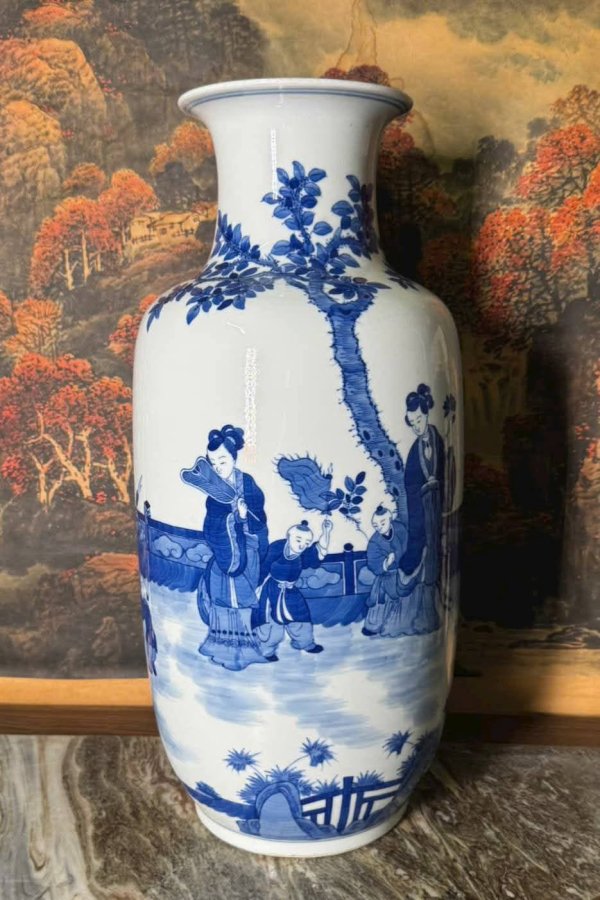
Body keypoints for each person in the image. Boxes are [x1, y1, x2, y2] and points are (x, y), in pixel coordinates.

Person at [180, 424, 269, 670]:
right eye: (213, 463)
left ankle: (245, 648)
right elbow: (212, 523)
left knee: (243, 595)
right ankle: (219, 646)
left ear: (234, 458)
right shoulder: (215, 493)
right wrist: (232, 518)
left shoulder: (247, 484)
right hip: (224, 551)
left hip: (247, 549)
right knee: (220, 593)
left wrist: (244, 517)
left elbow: (259, 520)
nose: (218, 467)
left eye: (223, 461)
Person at [393, 384, 444, 635]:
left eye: (419, 420)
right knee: (421, 539)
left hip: (437, 504)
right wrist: (425, 488)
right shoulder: (415, 450)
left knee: (437, 544)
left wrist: (438, 484)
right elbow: (409, 483)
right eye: (412, 423)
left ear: (426, 414)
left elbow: (446, 468)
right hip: (422, 505)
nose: (416, 426)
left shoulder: (437, 437)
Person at [252, 518, 333, 661]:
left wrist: (326, 532)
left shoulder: (303, 553)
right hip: (272, 590)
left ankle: (305, 643)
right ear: (289, 537)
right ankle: (267, 650)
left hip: (290, 590)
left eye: (306, 543)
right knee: (271, 620)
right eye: (298, 540)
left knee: (300, 614)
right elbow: (264, 567)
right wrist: (255, 587)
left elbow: (318, 553)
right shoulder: (277, 548)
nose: (302, 545)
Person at [362, 506, 407, 637]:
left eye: (383, 523)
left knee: (401, 599)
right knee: (378, 601)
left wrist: (398, 557)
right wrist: (386, 563)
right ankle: (373, 626)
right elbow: (373, 561)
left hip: (403, 572)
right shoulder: (374, 541)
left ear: (390, 519)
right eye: (375, 525)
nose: (379, 527)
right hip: (385, 574)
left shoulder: (400, 529)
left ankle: (396, 625)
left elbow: (407, 545)